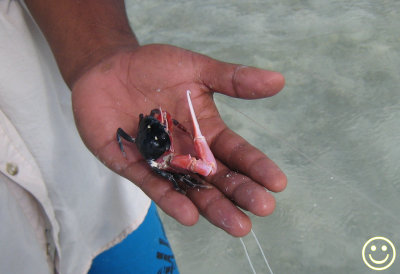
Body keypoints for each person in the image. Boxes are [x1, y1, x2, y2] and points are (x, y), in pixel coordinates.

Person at [0, 0, 287, 273]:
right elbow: (174, 160)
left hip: (100, 198)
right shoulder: (161, 153)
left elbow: (137, 130)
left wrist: (102, 53)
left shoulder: (141, 124)